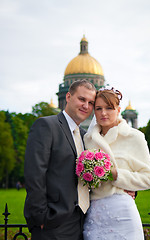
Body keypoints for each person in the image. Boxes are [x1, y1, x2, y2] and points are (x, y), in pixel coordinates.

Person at [24, 79, 96, 240]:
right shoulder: (46, 126)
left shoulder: (86, 137)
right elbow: (34, 174)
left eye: (91, 102)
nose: (86, 106)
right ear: (68, 97)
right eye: (82, 99)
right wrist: (41, 217)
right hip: (53, 223)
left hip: (81, 222)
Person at [83, 87, 150, 240]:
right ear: (94, 111)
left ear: (118, 109)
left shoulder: (134, 137)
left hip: (123, 214)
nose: (103, 113)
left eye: (109, 108)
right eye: (99, 108)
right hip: (95, 215)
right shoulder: (87, 140)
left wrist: (117, 175)